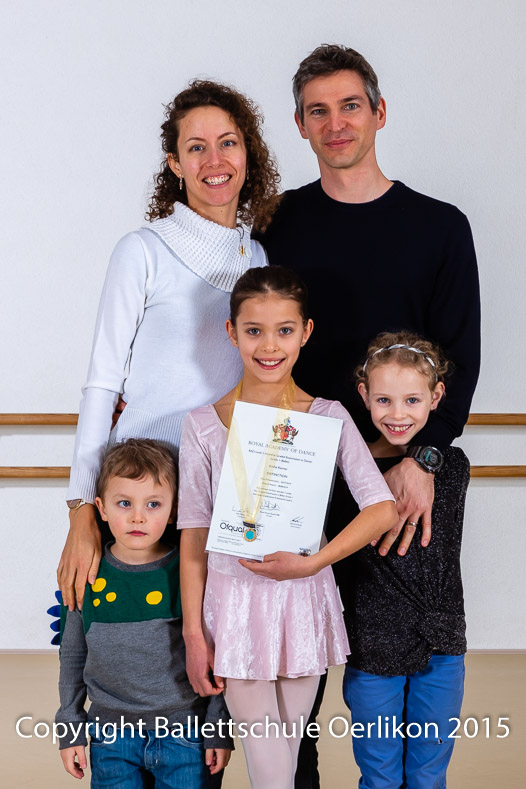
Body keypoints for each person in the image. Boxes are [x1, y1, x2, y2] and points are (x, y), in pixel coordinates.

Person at [256, 44, 480, 788]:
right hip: (299, 466)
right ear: (300, 125)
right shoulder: (277, 224)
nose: (336, 123)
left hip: (398, 477)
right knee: (294, 670)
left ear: (379, 112)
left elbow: (461, 357)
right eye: (318, 111)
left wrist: (424, 458)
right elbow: (253, 335)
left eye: (350, 105)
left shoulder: (440, 227)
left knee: (393, 667)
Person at [57, 79, 280, 612]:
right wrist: (81, 508)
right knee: (127, 648)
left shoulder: (259, 260)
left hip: (226, 494)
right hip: (142, 492)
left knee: (217, 651)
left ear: (248, 153)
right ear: (175, 164)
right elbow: (102, 383)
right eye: (196, 147)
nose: (214, 160)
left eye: (228, 143)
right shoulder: (142, 251)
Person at [177, 266, 398, 789]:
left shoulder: (328, 416)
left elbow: (382, 509)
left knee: (285, 762)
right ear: (231, 332)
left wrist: (313, 563)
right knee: (269, 768)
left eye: (284, 330)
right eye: (254, 330)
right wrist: (193, 634)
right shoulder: (203, 424)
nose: (269, 346)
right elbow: (193, 535)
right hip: (233, 605)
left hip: (304, 600)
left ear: (306, 332)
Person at [56, 438, 233, 787]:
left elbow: (216, 654)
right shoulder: (85, 573)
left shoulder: (190, 574)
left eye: (153, 504)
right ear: (101, 508)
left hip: (186, 733)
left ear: (174, 510)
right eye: (124, 503)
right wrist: (69, 727)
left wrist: (218, 726)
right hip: (110, 736)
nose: (138, 516)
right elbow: (72, 655)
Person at [342, 332, 469, 788]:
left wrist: (421, 461)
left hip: (441, 639)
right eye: (384, 400)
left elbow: (435, 464)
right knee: (378, 773)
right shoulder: (348, 469)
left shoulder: (450, 466)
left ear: (436, 397)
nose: (398, 414)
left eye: (412, 400)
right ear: (364, 396)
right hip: (373, 642)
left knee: (428, 772)